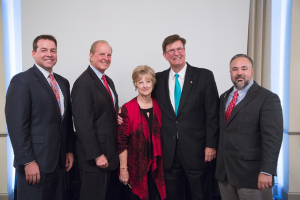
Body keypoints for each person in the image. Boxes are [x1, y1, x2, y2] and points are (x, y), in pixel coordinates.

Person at [5, 35, 75, 200]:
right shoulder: (22, 81)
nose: (49, 54)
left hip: (58, 163)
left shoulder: (63, 83)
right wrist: (27, 161)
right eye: (43, 50)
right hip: (35, 163)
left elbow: (65, 122)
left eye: (53, 51)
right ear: (33, 53)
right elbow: (16, 126)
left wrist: (69, 150)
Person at [152, 34, 220, 200]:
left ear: (184, 50)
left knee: (200, 195)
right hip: (168, 151)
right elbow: (145, 101)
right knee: (172, 196)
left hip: (197, 150)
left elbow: (213, 114)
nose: (176, 53)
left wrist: (211, 145)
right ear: (165, 55)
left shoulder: (204, 76)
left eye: (179, 49)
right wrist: (122, 112)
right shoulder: (157, 79)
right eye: (171, 50)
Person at [215, 54, 283, 200]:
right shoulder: (224, 97)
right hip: (225, 173)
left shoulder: (268, 98)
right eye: (235, 69)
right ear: (230, 73)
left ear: (252, 71)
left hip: (253, 175)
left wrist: (267, 171)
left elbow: (273, 138)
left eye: (244, 68)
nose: (239, 73)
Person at [71, 40, 119, 200]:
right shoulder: (83, 83)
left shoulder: (107, 81)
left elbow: (102, 112)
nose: (106, 58)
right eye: (101, 54)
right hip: (95, 159)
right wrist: (97, 155)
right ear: (91, 56)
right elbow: (83, 124)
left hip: (109, 155)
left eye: (109, 55)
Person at [118, 65, 166, 200]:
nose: (145, 85)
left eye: (148, 81)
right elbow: (122, 143)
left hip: (159, 167)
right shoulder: (127, 109)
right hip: (136, 170)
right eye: (140, 82)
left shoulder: (160, 105)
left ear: (153, 83)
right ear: (135, 84)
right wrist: (123, 169)